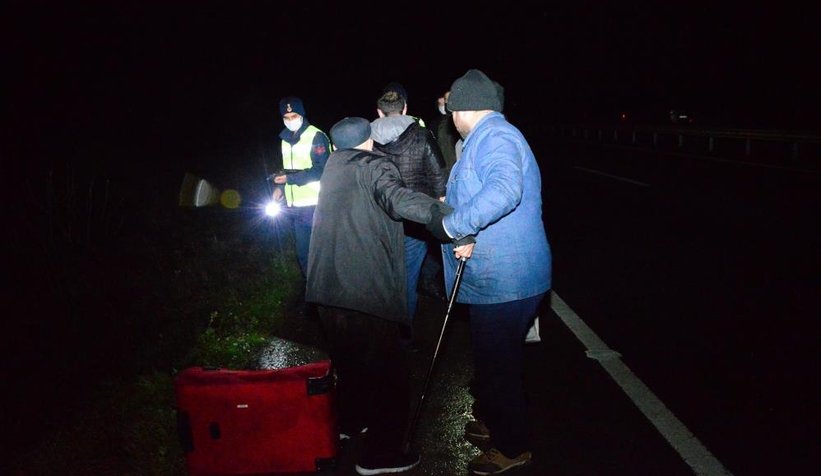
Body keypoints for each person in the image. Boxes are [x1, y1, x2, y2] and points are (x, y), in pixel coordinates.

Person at [305, 117, 467, 475]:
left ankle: (348, 426)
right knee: (391, 376)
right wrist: (451, 218)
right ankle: (379, 456)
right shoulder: (375, 164)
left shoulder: (333, 167)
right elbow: (399, 200)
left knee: (351, 365)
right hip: (363, 290)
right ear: (370, 141)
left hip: (327, 291)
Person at [426, 69, 552, 475]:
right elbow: (487, 198)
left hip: (506, 279)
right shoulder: (486, 137)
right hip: (499, 274)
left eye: (451, 109)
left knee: (499, 366)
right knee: (495, 361)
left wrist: (454, 225)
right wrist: (471, 229)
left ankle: (512, 447)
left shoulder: (495, 137)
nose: (449, 116)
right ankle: (497, 420)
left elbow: (504, 191)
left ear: (463, 108)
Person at [371, 90, 447, 345]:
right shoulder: (422, 135)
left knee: (383, 277)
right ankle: (403, 338)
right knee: (407, 280)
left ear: (379, 112)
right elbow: (438, 178)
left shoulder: (366, 139)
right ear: (405, 109)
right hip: (414, 222)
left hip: (379, 221)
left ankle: (382, 332)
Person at [271, 96, 329, 315]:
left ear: (302, 114)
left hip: (317, 205)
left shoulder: (316, 136)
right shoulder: (285, 139)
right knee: (303, 255)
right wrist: (282, 189)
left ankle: (327, 298)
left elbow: (322, 170)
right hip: (296, 208)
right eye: (285, 117)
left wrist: (289, 181)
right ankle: (314, 297)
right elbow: (288, 170)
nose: (289, 120)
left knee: (320, 254)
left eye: (293, 115)